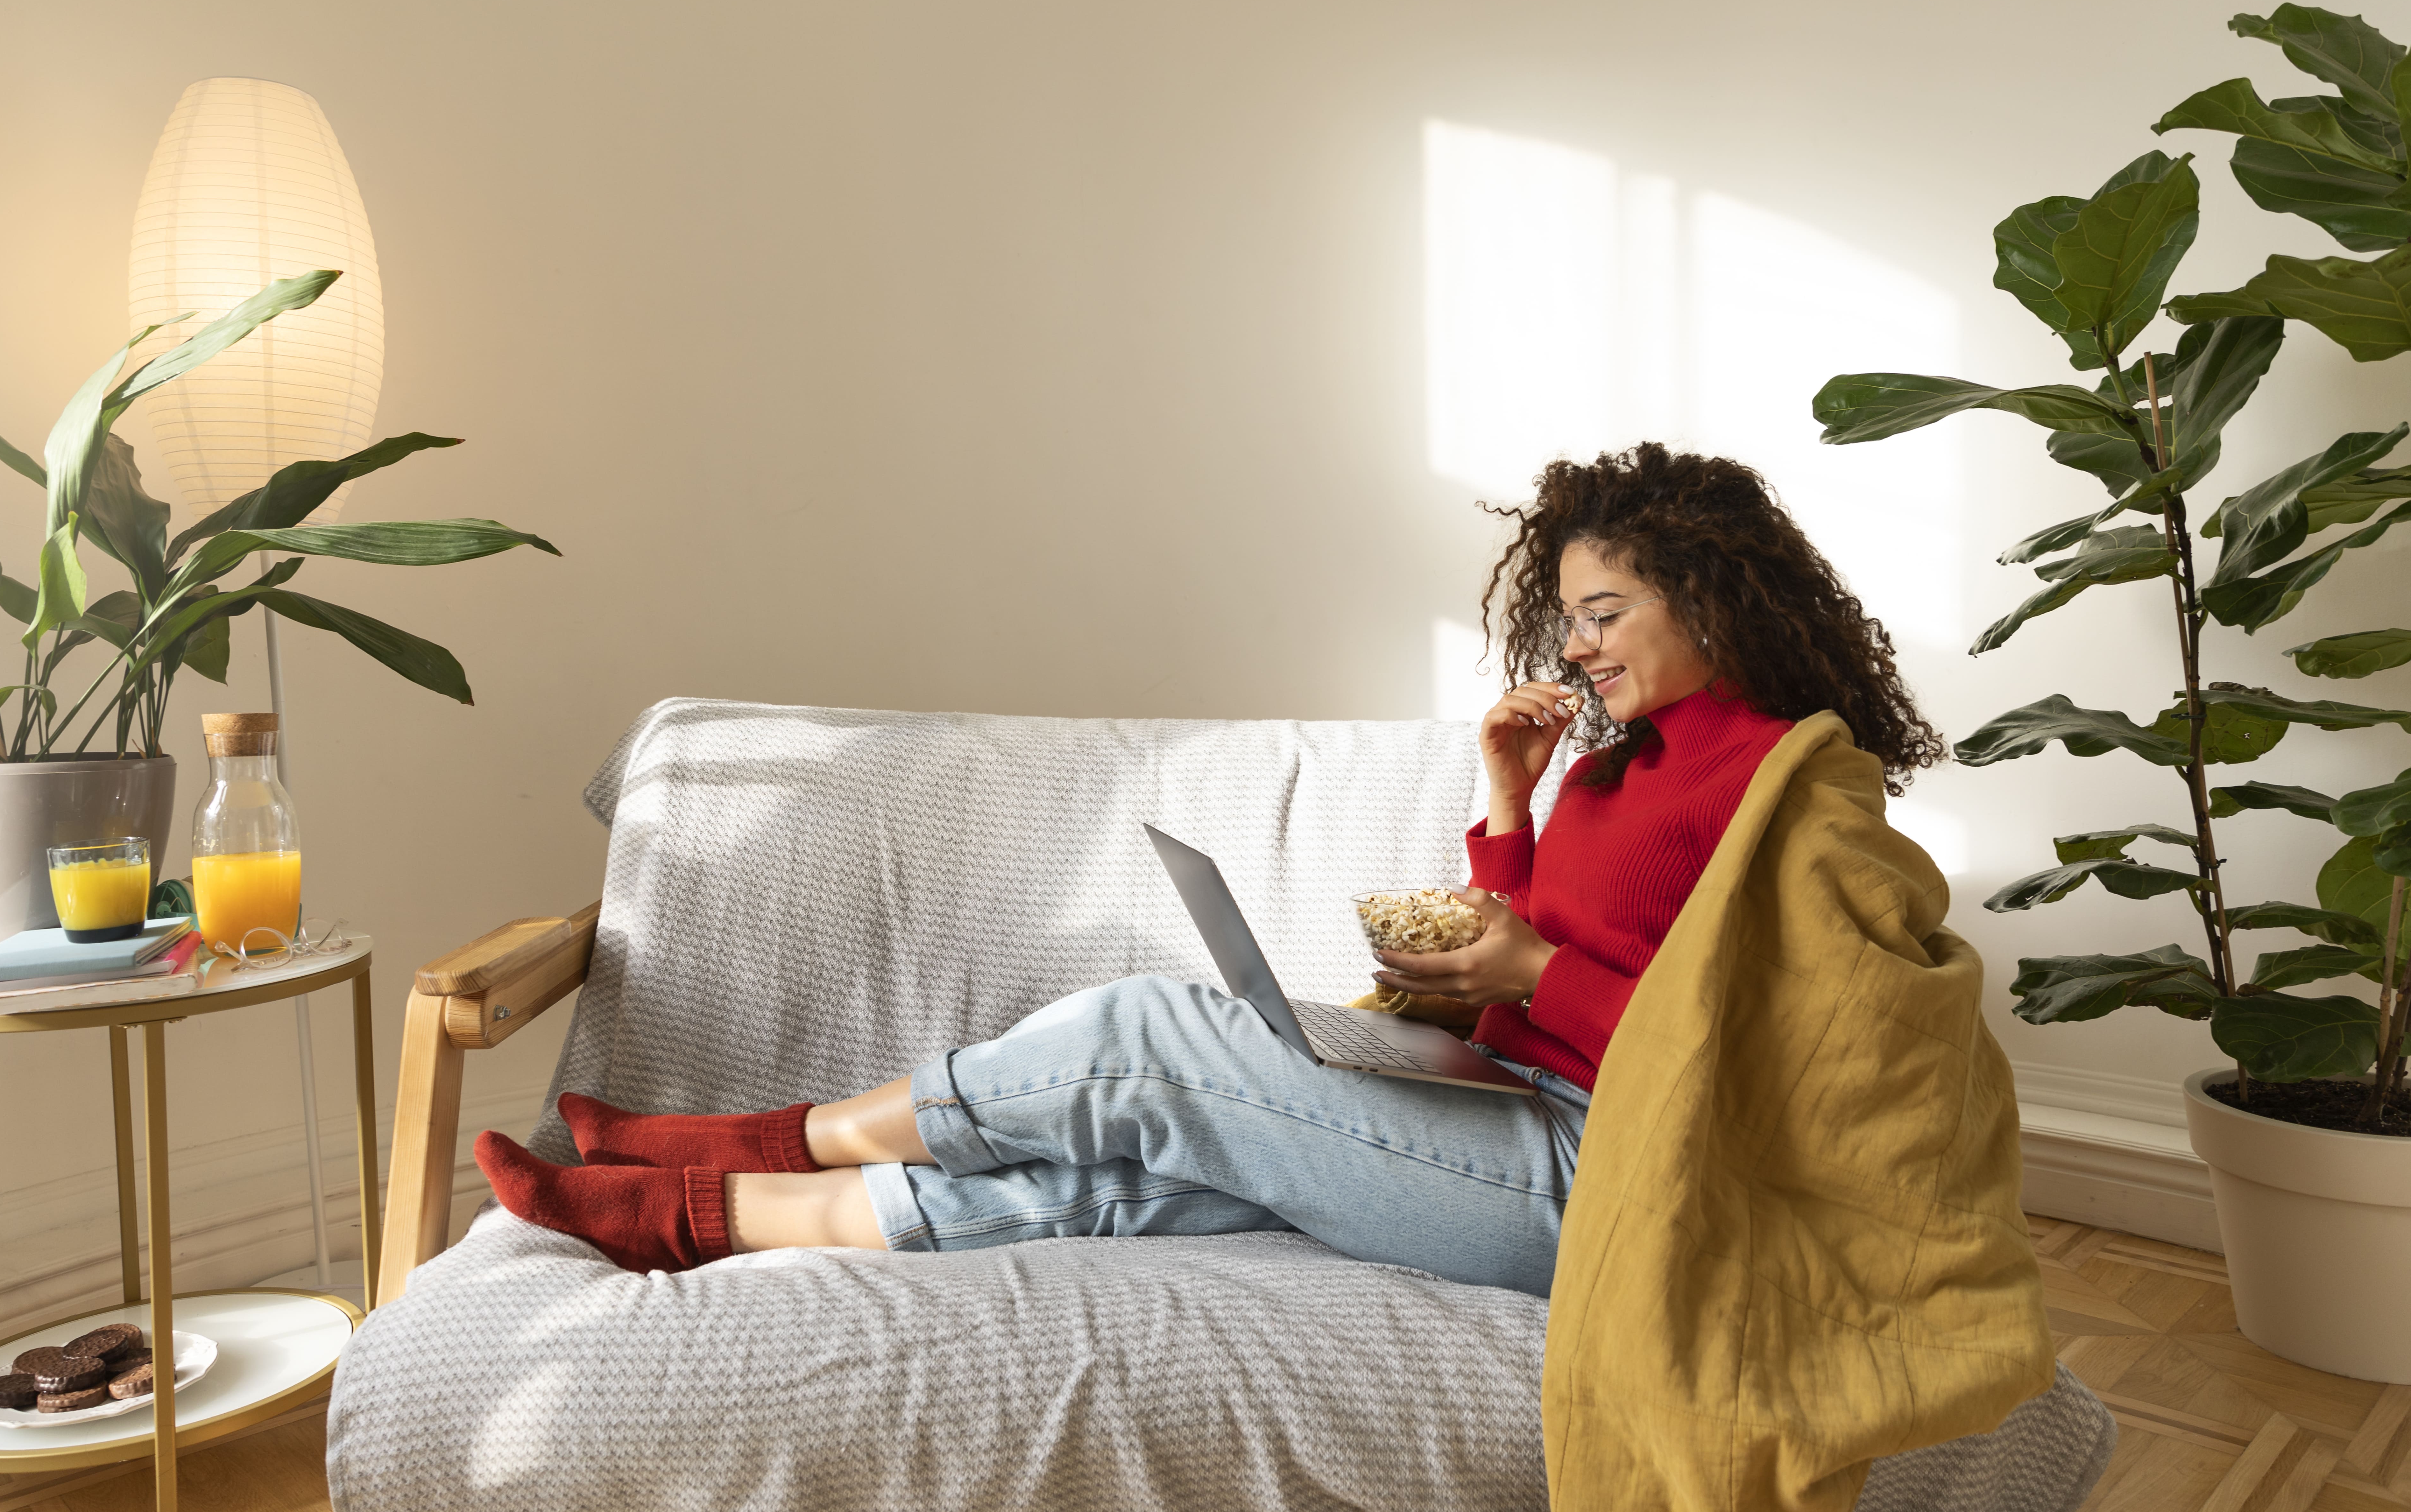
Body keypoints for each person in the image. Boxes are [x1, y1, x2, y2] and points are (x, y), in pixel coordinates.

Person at [475, 442, 1946, 1296]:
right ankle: (688, 1220)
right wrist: (1506, 811)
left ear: (1709, 593)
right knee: (1131, 1173)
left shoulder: (1787, 784)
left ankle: (746, 1140)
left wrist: (1530, 973)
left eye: (1605, 609)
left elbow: (1768, 1070)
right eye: (1568, 616)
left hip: (1613, 1186)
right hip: (1516, 1111)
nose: (1576, 644)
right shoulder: (1624, 761)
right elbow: (1555, 951)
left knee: (1143, 1038)